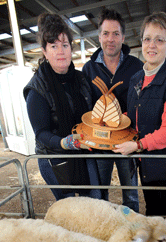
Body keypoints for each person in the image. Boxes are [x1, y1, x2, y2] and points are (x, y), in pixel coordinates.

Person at [113, 12, 166, 216]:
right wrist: (112, 123)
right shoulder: (136, 79)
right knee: (153, 211)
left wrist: (138, 145)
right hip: (148, 162)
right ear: (141, 42)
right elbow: (133, 114)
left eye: (160, 40)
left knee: (163, 216)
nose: (152, 45)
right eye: (147, 39)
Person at [24, 13, 101, 200]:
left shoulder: (81, 79)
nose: (61, 51)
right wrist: (64, 142)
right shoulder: (37, 89)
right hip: (55, 157)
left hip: (83, 153)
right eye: (54, 46)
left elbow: (92, 114)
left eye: (65, 45)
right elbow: (41, 133)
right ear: (44, 51)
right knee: (69, 208)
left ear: (70, 48)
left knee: (95, 200)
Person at [82, 8, 144, 212]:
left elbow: (143, 102)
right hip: (100, 142)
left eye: (116, 34)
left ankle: (132, 235)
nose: (111, 39)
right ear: (99, 36)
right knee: (100, 194)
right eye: (106, 33)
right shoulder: (89, 68)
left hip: (127, 140)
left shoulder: (137, 66)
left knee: (131, 194)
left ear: (123, 37)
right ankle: (105, 231)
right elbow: (86, 106)